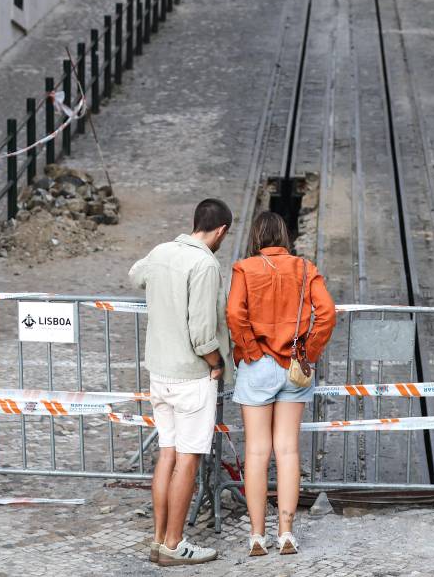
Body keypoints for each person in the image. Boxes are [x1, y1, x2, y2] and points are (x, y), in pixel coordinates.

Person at [129, 198, 233, 567]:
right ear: (220, 230)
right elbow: (202, 331)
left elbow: (135, 275)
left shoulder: (161, 251)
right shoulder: (205, 264)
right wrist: (216, 362)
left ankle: (158, 540)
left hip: (159, 372)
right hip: (191, 376)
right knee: (187, 459)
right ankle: (175, 543)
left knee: (166, 454)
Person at [225, 211, 335, 557]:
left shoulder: (245, 269)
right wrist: (309, 349)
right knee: (287, 450)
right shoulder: (304, 268)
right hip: (293, 366)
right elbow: (328, 312)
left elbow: (233, 313)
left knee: (257, 452)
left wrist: (250, 349)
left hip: (257, 366)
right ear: (284, 237)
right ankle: (286, 533)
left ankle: (257, 535)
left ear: (256, 236)